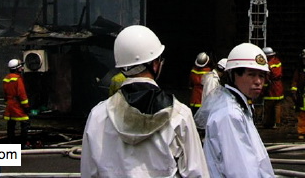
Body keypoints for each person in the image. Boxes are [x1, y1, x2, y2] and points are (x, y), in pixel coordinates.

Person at [81, 25, 208, 177]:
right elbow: (197, 173)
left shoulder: (98, 116)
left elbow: (89, 173)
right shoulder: (179, 115)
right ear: (155, 64)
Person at [195, 42, 274, 177]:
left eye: (261, 75)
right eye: (251, 74)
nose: (258, 81)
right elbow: (242, 171)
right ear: (233, 75)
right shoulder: (230, 114)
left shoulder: (239, 106)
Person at [3, 58, 30, 148]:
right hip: (17, 105)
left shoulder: (6, 79)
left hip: (10, 105)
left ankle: (10, 142)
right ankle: (23, 144)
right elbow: (22, 94)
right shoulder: (18, 79)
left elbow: (5, 94)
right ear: (16, 68)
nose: (22, 68)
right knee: (25, 122)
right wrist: (26, 106)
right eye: (20, 67)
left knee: (11, 124)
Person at [261, 47, 283, 129]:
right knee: (277, 106)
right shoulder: (277, 61)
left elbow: (267, 77)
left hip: (271, 88)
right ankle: (277, 123)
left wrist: (263, 90)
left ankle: (267, 123)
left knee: (268, 106)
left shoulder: (268, 64)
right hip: (278, 86)